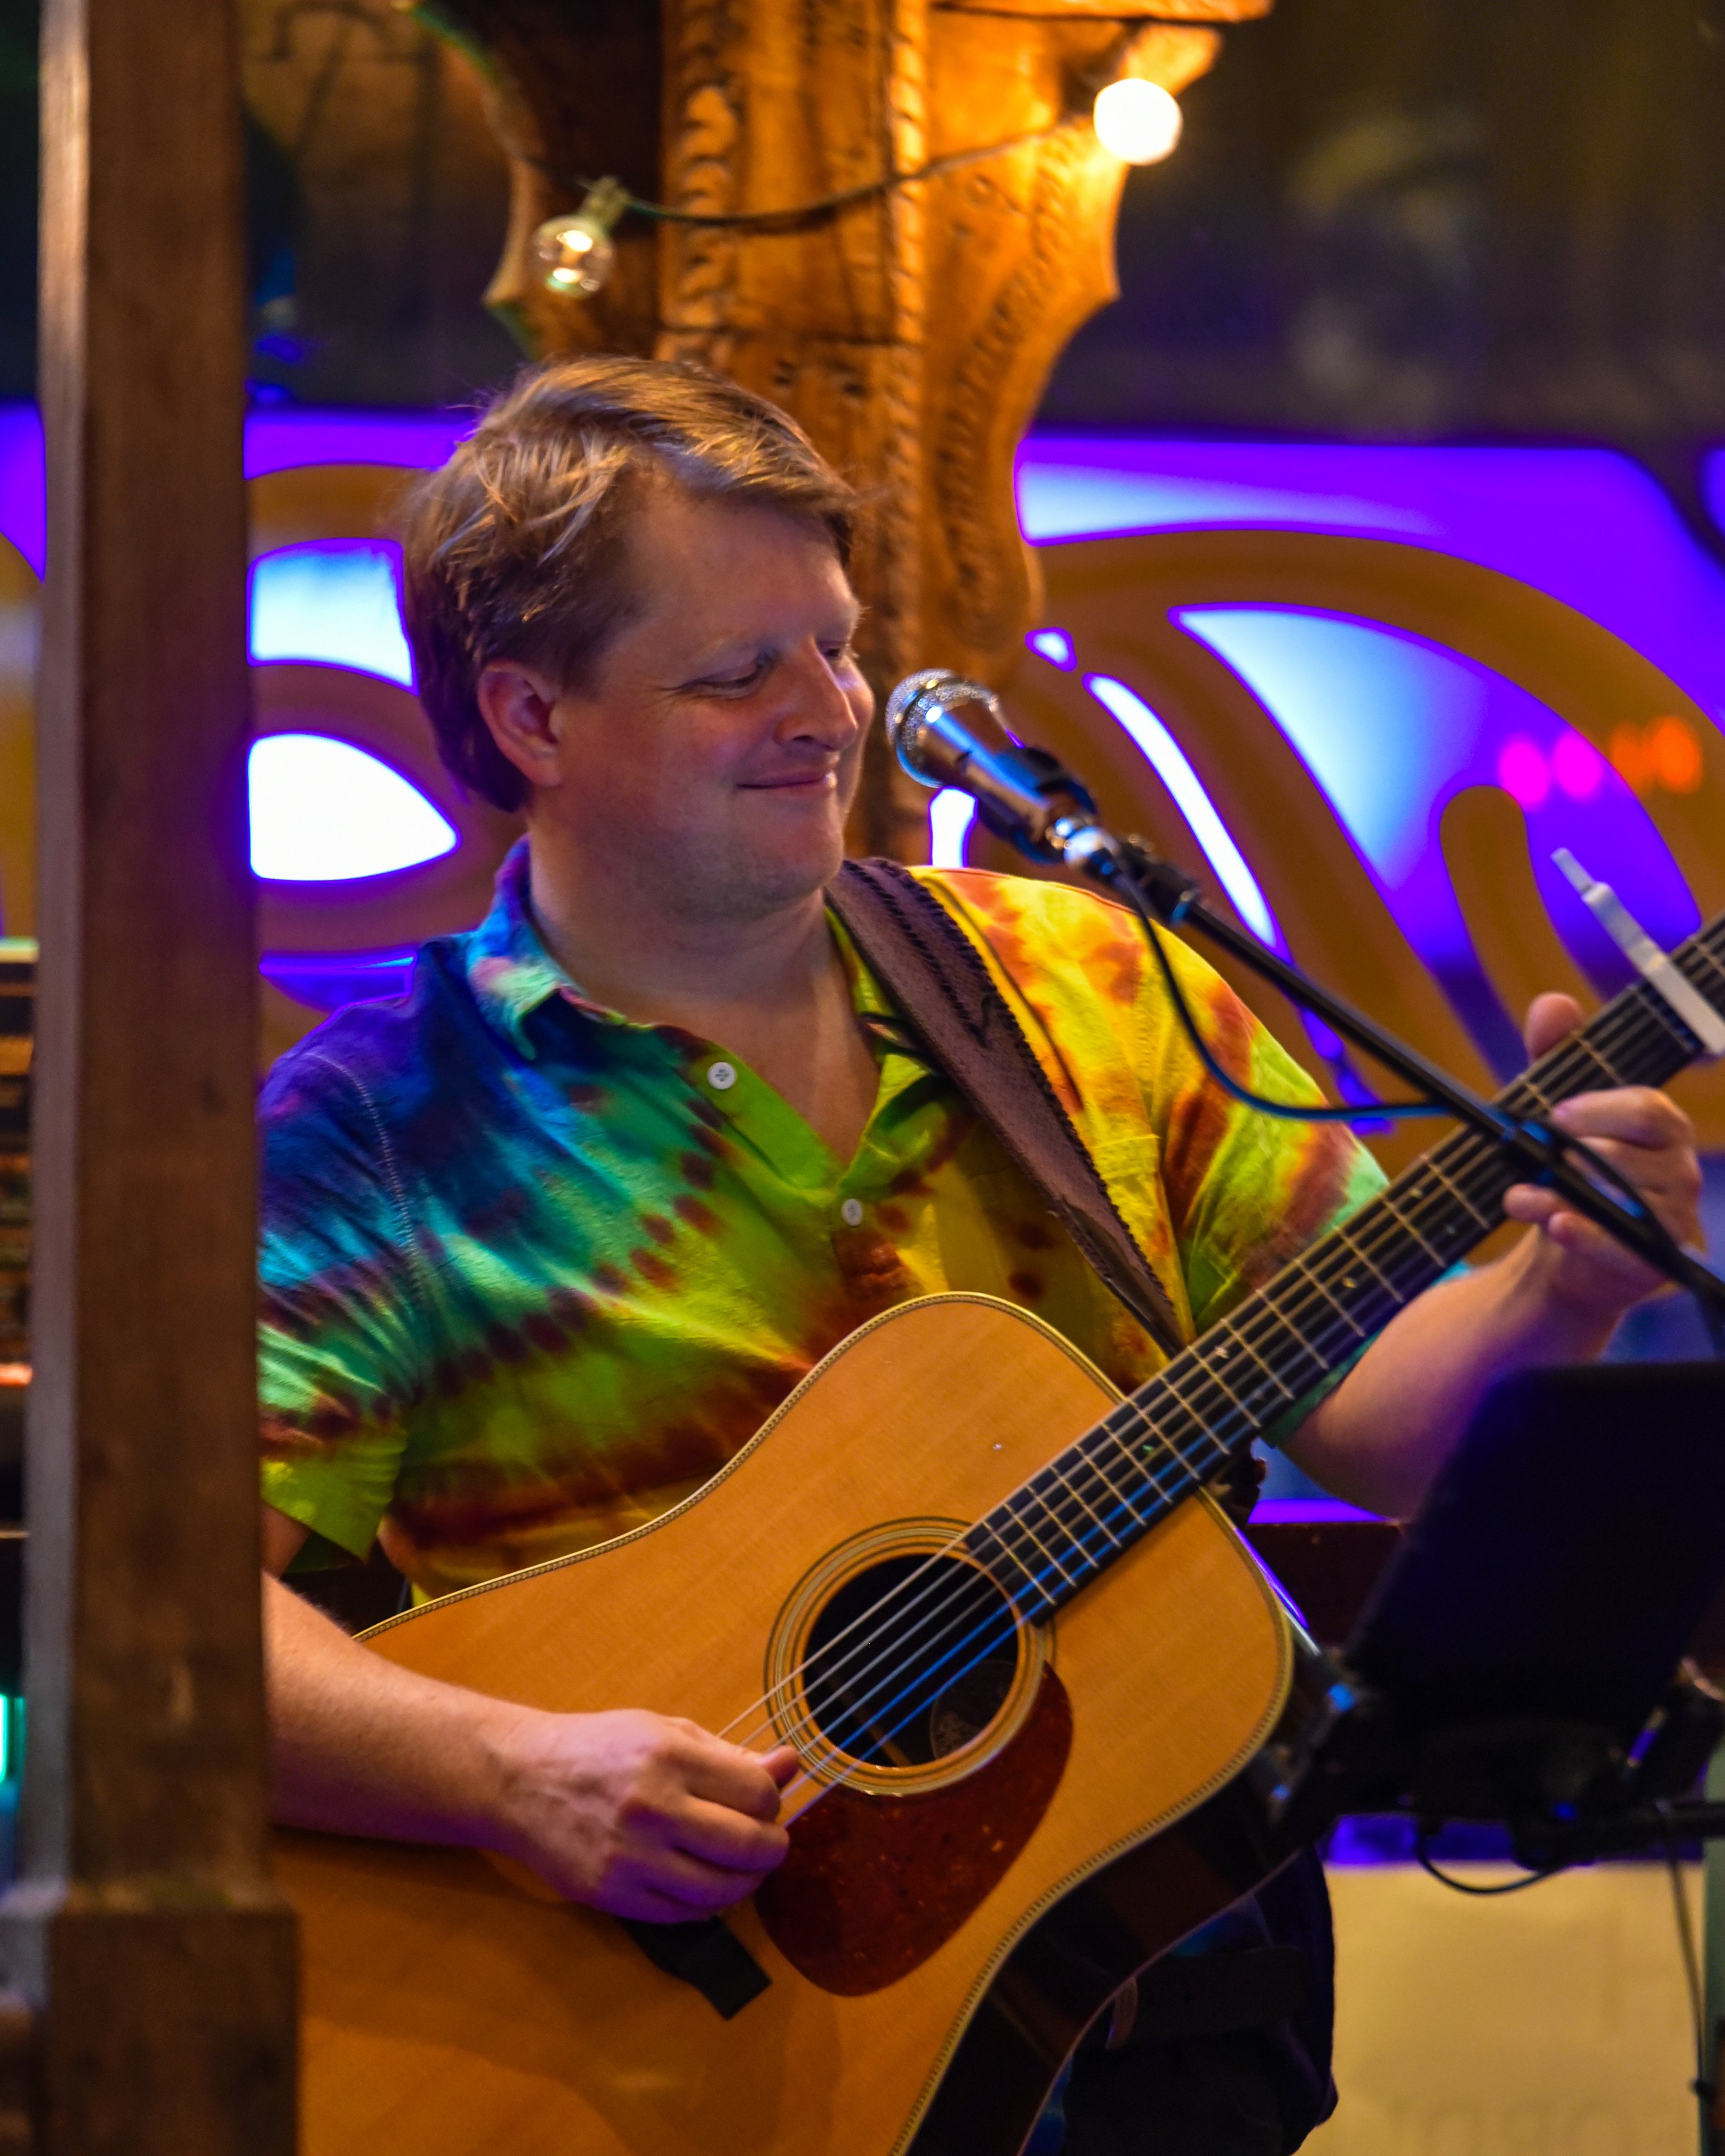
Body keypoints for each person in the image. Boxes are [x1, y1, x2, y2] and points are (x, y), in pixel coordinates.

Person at [259, 355, 1704, 2149]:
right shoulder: (379, 1126)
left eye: (837, 647)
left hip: (1161, 2009)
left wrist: (1556, 1284)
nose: (825, 712)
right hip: (650, 2056)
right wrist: (512, 1773)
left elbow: (1373, 1429)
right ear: (532, 719)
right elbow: (173, 1628)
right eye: (736, 674)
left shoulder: (1081, 982)